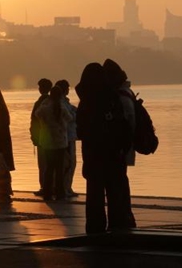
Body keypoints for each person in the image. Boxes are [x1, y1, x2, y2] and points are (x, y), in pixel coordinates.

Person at [76, 63, 134, 233]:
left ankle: (95, 228)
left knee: (94, 195)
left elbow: (80, 131)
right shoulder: (112, 99)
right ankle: (117, 226)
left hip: (92, 157)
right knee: (115, 194)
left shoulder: (85, 103)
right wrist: (122, 148)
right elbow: (122, 127)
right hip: (113, 156)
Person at [102, 59, 137, 227]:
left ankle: (121, 218)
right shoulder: (127, 93)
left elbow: (125, 124)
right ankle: (125, 217)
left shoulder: (119, 97)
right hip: (123, 147)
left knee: (117, 183)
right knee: (121, 181)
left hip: (118, 148)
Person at [36, 85, 73, 201]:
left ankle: (47, 192)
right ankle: (60, 192)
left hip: (48, 142)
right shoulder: (62, 107)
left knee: (49, 168)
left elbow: (37, 114)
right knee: (59, 168)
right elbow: (70, 118)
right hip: (61, 141)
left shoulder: (46, 107)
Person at [56, 79, 79, 198]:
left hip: (69, 136)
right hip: (67, 138)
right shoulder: (61, 103)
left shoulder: (65, 102)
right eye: (67, 87)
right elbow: (69, 117)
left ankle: (67, 187)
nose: (68, 89)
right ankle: (65, 188)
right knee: (69, 164)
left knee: (69, 163)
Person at [30, 78, 53, 197]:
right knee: (50, 163)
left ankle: (44, 186)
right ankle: (50, 186)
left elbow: (34, 120)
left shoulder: (41, 102)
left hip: (42, 138)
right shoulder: (52, 101)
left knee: (43, 164)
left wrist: (34, 136)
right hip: (52, 138)